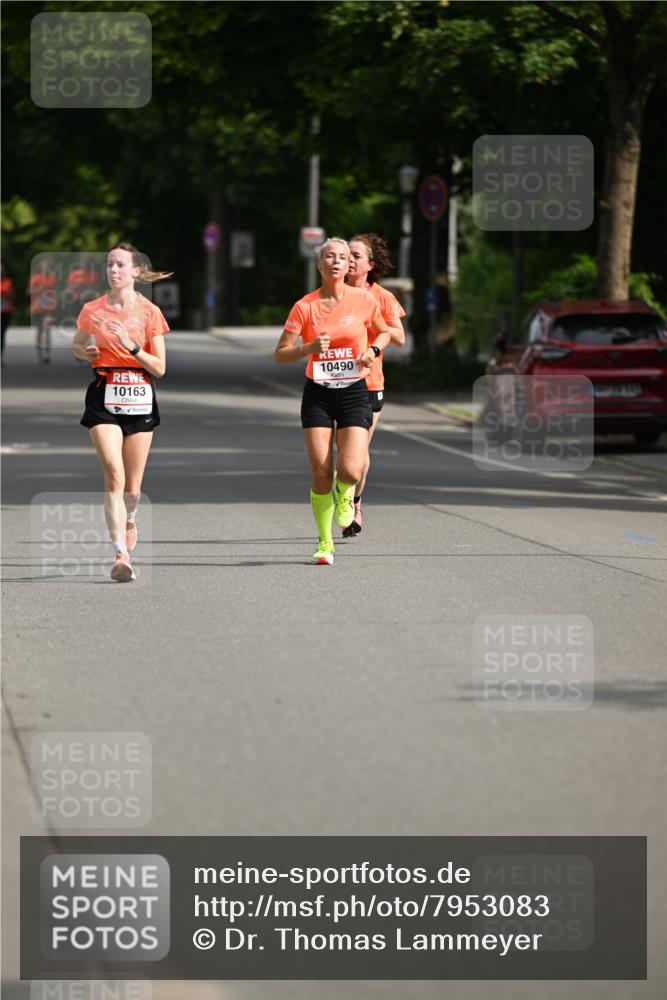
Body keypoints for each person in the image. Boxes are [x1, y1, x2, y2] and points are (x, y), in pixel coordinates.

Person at [275, 237, 392, 565]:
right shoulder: (305, 306)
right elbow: (280, 354)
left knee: (351, 468)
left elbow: (384, 332)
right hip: (319, 394)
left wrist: (372, 350)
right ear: (320, 264)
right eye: (331, 256)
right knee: (321, 470)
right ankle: (325, 542)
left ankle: (346, 496)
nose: (338, 261)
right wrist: (308, 349)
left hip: (355, 390)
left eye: (343, 257)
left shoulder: (364, 300)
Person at [72, 243, 172, 582]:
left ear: (135, 272)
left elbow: (159, 367)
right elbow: (77, 342)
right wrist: (85, 352)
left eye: (120, 265)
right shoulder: (92, 310)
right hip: (104, 394)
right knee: (113, 474)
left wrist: (132, 347)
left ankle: (130, 519)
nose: (114, 270)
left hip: (141, 396)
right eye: (110, 265)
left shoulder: (149, 312)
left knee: (132, 488)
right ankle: (120, 552)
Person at [344, 233, 406, 536]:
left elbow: (400, 336)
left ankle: (355, 503)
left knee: (358, 453)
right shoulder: (333, 293)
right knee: (341, 454)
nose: (350, 261)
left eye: (356, 256)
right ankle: (345, 495)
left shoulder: (381, 297)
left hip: (369, 382)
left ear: (370, 264)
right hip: (335, 382)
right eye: (347, 255)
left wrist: (374, 324)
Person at [28, 256, 57, 363]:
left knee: (47, 329)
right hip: (37, 307)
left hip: (49, 307)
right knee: (40, 330)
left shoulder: (52, 278)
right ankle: (39, 352)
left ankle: (47, 353)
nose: (46, 269)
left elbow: (53, 291)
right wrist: (37, 289)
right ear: (40, 267)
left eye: (48, 267)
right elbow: (29, 292)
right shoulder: (35, 278)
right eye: (44, 266)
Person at [0, 262, 13, 365]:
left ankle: (0, 357)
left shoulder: (8, 282)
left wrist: (6, 294)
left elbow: (11, 296)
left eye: (2, 268)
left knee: (1, 334)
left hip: (5, 311)